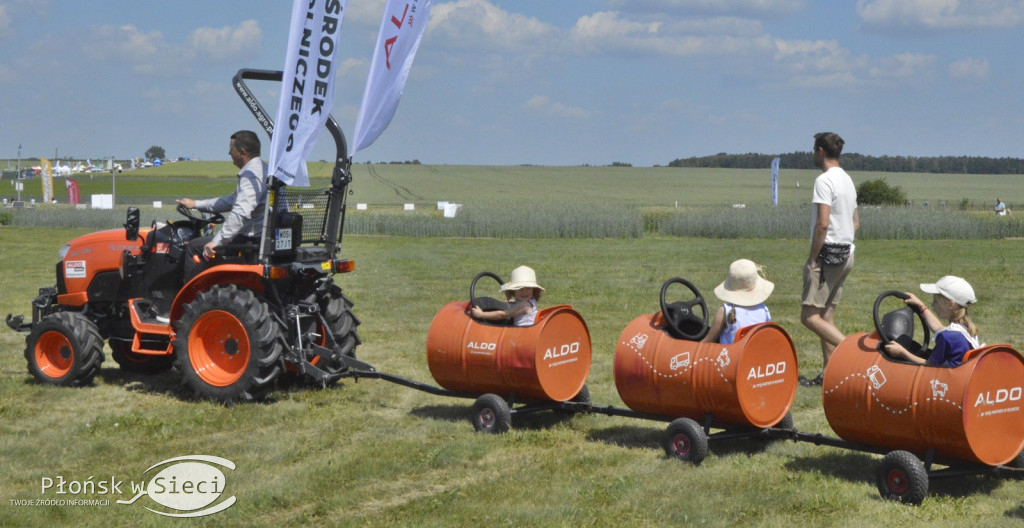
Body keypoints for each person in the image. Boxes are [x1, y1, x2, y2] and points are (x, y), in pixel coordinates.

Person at [800, 132, 859, 386]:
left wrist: (812, 259)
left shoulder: (824, 181)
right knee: (826, 316)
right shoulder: (848, 180)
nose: (813, 154)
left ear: (821, 151)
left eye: (814, 150)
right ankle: (829, 375)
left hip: (828, 256)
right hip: (848, 254)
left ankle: (854, 353)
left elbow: (822, 224)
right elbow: (856, 223)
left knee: (809, 316)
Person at [177, 130, 269, 283]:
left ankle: (190, 297)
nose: (228, 153)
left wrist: (217, 241)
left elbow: (240, 213)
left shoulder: (251, 175)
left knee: (193, 246)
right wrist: (196, 205)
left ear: (242, 152)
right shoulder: (264, 170)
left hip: (250, 241)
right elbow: (230, 201)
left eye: (231, 149)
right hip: (260, 238)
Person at [883, 276, 980, 367]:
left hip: (943, 380)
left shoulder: (947, 337)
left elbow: (930, 366)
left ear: (951, 304)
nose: (933, 305)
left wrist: (902, 353)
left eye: (936, 301)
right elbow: (938, 327)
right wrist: (921, 305)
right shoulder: (966, 329)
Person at [702, 259, 773, 345]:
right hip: (756, 356)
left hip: (731, 357)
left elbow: (708, 342)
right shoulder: (764, 310)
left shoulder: (724, 311)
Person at [471, 266, 544, 327]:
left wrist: (481, 314)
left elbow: (502, 315)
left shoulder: (524, 305)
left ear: (534, 290)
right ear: (513, 291)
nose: (524, 292)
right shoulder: (527, 302)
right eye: (520, 288)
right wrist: (514, 303)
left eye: (528, 288)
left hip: (523, 335)